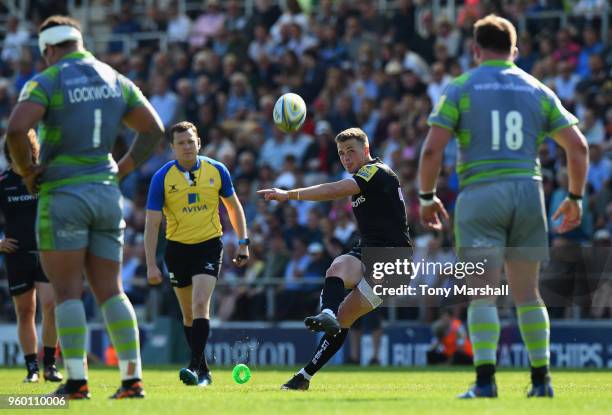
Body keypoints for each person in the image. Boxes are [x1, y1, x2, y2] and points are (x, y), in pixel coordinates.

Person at [418, 14, 588, 398]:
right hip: (529, 192)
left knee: (483, 294)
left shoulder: (461, 87)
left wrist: (427, 198)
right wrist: (575, 199)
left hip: (480, 194)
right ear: (514, 49)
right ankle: (541, 381)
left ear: (475, 50)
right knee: (529, 293)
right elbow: (578, 147)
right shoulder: (537, 89)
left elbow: (431, 150)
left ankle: (484, 382)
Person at [6, 15, 165, 399]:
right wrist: (122, 169)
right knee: (112, 290)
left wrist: (27, 171)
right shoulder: (114, 78)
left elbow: (15, 129)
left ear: (48, 49)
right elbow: (154, 129)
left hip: (63, 195)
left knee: (66, 292)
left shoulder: (48, 80)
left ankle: (76, 381)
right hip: (107, 194)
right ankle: (132, 380)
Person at [258, 127, 411, 390]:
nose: (346, 158)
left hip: (393, 260)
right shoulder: (366, 178)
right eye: (341, 153)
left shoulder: (375, 171)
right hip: (369, 251)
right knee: (339, 282)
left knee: (343, 296)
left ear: (366, 150)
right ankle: (304, 376)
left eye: (351, 151)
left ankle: (328, 318)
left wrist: (288, 194)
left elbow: (333, 190)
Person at [144, 121, 249, 387]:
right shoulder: (162, 178)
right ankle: (204, 370)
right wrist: (150, 265)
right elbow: (152, 224)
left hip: (208, 246)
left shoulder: (217, 170)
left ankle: (193, 366)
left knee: (201, 304)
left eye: (191, 141)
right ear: (172, 148)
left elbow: (234, 208)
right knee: (188, 315)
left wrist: (243, 242)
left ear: (199, 143)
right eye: (181, 143)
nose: (187, 147)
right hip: (177, 250)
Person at [1, 133, 62, 383]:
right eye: (16, 147)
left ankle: (49, 365)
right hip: (17, 255)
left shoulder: (44, 176)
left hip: (47, 251)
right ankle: (32, 370)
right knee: (25, 311)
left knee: (51, 306)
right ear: (9, 150)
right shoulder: (3, 182)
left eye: (26, 146)